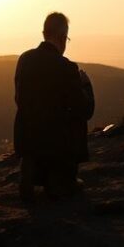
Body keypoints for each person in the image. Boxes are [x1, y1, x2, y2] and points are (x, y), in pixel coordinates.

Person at [13, 12, 95, 202]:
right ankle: (61, 180)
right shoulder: (67, 68)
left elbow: (19, 98)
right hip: (55, 145)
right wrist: (86, 85)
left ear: (44, 33)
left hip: (27, 140)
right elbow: (85, 110)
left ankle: (31, 171)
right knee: (74, 119)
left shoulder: (24, 59)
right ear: (63, 37)